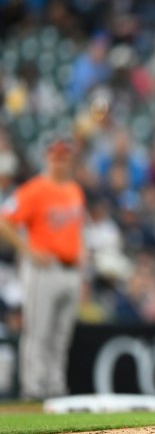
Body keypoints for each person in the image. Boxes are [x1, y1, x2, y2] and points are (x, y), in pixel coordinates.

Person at [0, 138, 86, 400]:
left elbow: (76, 230)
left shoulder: (74, 190)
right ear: (48, 158)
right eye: (56, 156)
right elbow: (4, 220)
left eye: (64, 156)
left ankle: (56, 388)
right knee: (39, 332)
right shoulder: (34, 189)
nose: (60, 161)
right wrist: (27, 250)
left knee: (61, 337)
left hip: (71, 271)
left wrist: (81, 256)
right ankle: (33, 389)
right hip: (43, 271)